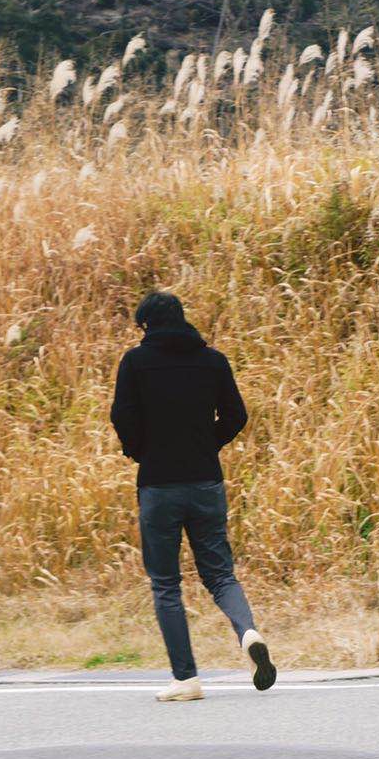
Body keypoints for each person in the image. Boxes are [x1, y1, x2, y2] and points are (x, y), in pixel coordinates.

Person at [110, 291, 275, 702]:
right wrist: (207, 445)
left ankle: (186, 678)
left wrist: (140, 451)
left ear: (147, 325)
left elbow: (122, 416)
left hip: (159, 485)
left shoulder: (135, 362)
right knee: (220, 575)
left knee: (166, 583)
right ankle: (248, 632)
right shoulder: (212, 360)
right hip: (206, 483)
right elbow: (236, 414)